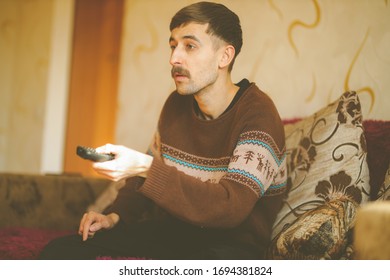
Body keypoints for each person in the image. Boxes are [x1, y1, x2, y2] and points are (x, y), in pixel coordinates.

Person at [39, 1, 287, 260]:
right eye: (173, 46)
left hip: (230, 247)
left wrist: (146, 167)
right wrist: (114, 215)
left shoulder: (258, 113)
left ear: (224, 56)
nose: (174, 58)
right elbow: (142, 181)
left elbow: (229, 207)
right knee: (60, 251)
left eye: (189, 46)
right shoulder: (176, 104)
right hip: (173, 234)